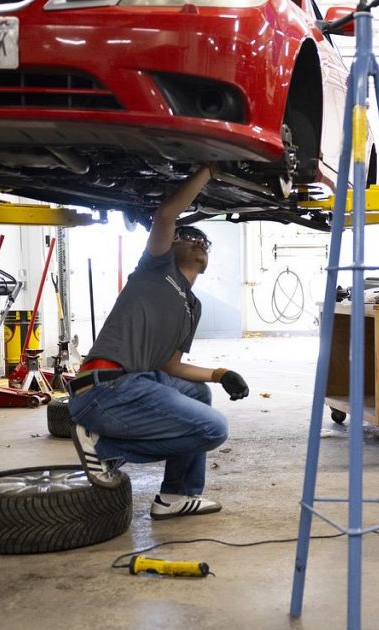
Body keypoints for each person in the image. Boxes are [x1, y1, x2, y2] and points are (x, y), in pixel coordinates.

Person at [68, 164, 250, 520]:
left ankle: (175, 496)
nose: (198, 241)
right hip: (107, 387)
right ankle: (107, 447)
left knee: (199, 394)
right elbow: (166, 213)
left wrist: (221, 373)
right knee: (214, 428)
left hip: (137, 382)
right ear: (172, 245)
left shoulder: (192, 307)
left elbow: (171, 364)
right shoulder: (156, 269)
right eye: (188, 236)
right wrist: (208, 171)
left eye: (204, 240)